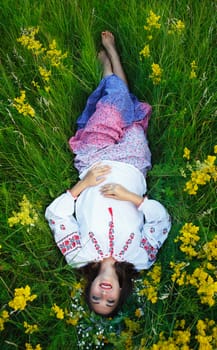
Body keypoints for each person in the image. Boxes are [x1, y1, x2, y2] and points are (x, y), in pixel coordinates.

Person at [45, 31, 171, 317]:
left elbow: (56, 215)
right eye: (110, 300)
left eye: (95, 298)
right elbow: (161, 220)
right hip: (133, 164)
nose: (103, 294)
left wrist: (84, 184)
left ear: (88, 289)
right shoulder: (140, 259)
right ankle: (110, 60)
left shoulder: (78, 256)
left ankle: (109, 61)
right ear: (120, 293)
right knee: (130, 119)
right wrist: (131, 197)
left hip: (95, 161)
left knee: (114, 106)